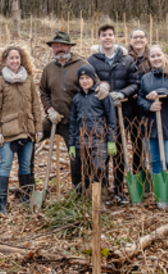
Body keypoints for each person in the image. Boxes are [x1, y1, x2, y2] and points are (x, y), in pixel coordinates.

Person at [88, 23, 139, 205]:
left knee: (119, 152)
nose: (107, 38)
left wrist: (122, 94)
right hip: (101, 115)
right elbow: (86, 82)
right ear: (99, 38)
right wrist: (99, 88)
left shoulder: (126, 60)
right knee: (103, 153)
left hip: (121, 113)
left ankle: (119, 189)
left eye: (110, 34)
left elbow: (135, 82)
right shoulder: (92, 60)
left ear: (114, 37)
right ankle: (103, 190)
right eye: (104, 35)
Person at [0, 46, 43, 213]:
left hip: (27, 130)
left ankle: (25, 199)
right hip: (8, 132)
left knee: (25, 166)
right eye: (11, 58)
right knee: (5, 165)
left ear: (22, 60)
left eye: (17, 58)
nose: (14, 61)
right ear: (5, 60)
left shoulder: (28, 80)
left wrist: (38, 128)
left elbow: (35, 105)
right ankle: (2, 203)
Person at [137, 45, 168, 209]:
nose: (156, 58)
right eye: (153, 56)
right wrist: (149, 106)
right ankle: (161, 195)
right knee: (155, 161)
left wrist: (161, 92)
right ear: (149, 59)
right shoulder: (145, 79)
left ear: (164, 56)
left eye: (159, 55)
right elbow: (139, 100)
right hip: (150, 125)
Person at [39, 31, 88, 191]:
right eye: (56, 46)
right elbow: (43, 92)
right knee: (29, 137)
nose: (59, 49)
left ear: (69, 46)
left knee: (76, 158)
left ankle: (78, 190)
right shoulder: (49, 68)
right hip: (53, 119)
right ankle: (29, 185)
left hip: (74, 122)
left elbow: (90, 89)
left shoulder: (81, 65)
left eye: (62, 46)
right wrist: (49, 110)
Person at [68, 64, 118, 208]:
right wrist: (72, 144)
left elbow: (111, 120)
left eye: (87, 78)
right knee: (85, 171)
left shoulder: (101, 95)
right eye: (82, 78)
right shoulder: (77, 99)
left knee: (99, 169)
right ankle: (85, 200)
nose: (84, 81)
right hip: (81, 142)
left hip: (99, 140)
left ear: (93, 78)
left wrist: (111, 141)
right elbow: (73, 122)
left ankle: (100, 201)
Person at [127, 28, 152, 178]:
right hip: (131, 106)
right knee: (136, 142)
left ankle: (151, 172)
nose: (138, 40)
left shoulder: (152, 58)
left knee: (150, 142)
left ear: (146, 40)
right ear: (130, 40)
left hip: (149, 106)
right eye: (135, 37)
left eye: (141, 37)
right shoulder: (125, 58)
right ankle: (137, 174)